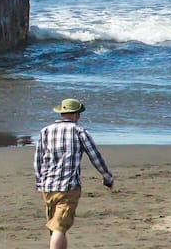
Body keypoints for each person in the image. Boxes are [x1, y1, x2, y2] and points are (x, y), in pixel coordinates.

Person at [34, 99, 114, 249]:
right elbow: (94, 156)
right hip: (68, 186)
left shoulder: (46, 131)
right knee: (59, 227)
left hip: (48, 186)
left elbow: (38, 159)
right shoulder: (79, 132)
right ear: (76, 114)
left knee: (55, 225)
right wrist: (107, 175)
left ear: (62, 113)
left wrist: (39, 182)